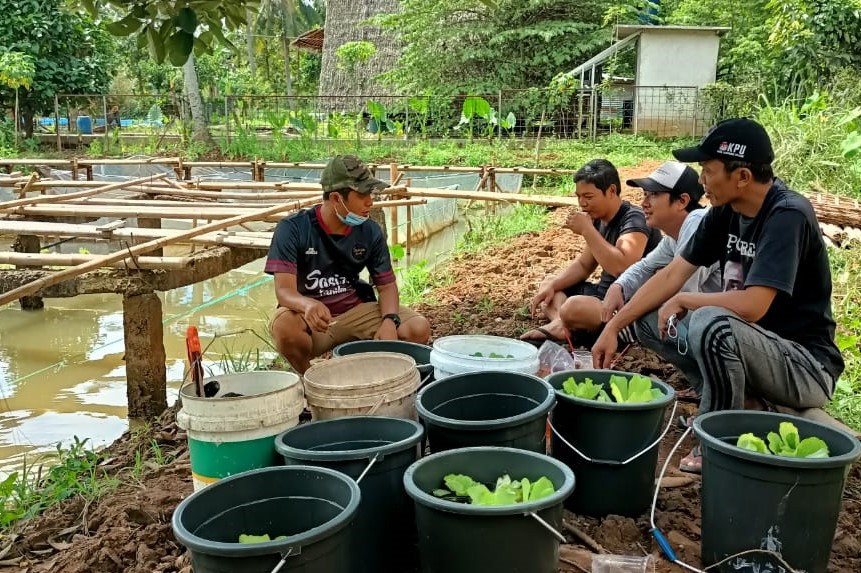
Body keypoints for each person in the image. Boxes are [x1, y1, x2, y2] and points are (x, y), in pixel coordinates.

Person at [592, 118, 843, 473]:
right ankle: (743, 402)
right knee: (647, 321)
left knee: (711, 320)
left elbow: (753, 306)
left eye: (708, 171)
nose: (702, 181)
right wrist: (614, 327)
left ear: (741, 176)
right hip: (754, 351)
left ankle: (718, 438)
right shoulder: (725, 213)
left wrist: (687, 301)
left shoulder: (786, 215)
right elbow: (672, 274)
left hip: (804, 365)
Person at [266, 155, 431, 374]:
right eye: (362, 195)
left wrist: (390, 320)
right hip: (314, 319)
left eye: (370, 194)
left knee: (417, 328)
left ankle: (368, 371)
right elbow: (284, 292)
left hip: (356, 310)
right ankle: (310, 377)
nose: (370, 202)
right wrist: (306, 305)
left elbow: (386, 286)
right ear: (336, 198)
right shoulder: (293, 229)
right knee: (285, 328)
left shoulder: (369, 230)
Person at [601, 161, 722, 399]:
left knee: (651, 315)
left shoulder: (698, 222)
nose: (644, 203)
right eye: (645, 194)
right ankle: (705, 388)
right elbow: (645, 266)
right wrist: (618, 286)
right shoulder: (673, 238)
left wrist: (616, 325)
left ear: (682, 201)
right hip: (712, 324)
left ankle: (718, 393)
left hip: (727, 329)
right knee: (645, 317)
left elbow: (677, 289)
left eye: (654, 195)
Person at [521, 158, 661, 347]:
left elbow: (622, 268)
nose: (582, 203)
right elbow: (584, 266)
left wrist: (587, 230)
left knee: (573, 307)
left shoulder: (634, 220)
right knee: (550, 286)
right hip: (601, 296)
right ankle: (562, 324)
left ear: (611, 191)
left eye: (588, 197)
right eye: (579, 196)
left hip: (625, 303)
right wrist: (553, 285)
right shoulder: (599, 220)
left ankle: (566, 323)